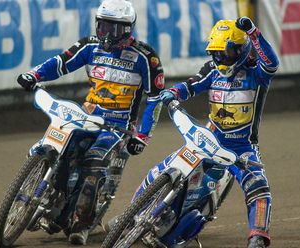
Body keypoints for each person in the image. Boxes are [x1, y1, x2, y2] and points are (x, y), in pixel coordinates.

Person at [17, 0, 165, 245]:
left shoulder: (145, 57)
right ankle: (51, 194)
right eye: (103, 26)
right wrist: (34, 75)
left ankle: (81, 224)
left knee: (93, 164)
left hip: (117, 126)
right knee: (59, 148)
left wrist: (143, 136)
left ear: (128, 29)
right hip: (86, 116)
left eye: (114, 29)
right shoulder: (89, 45)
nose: (107, 34)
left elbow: (156, 99)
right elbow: (61, 63)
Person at [144, 17, 279, 248]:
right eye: (216, 54)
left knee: (258, 187)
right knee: (164, 169)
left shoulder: (256, 74)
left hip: (242, 148)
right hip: (208, 138)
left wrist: (254, 33)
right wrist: (173, 93)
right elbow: (191, 85)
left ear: (242, 49)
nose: (220, 59)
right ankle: (136, 211)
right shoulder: (212, 70)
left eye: (226, 54)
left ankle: (257, 236)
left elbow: (272, 64)